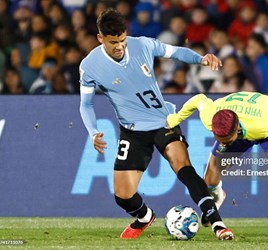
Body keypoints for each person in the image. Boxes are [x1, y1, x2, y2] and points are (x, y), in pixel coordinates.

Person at [79, 9, 233, 240]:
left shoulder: (142, 45)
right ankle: (144, 217)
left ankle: (217, 223)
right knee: (122, 195)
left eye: (122, 40)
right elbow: (86, 105)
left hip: (164, 121)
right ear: (100, 38)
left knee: (183, 167)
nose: (120, 46)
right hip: (132, 132)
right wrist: (92, 132)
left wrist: (201, 59)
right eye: (113, 42)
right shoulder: (90, 66)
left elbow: (175, 52)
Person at [166, 92, 268, 240]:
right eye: (217, 137)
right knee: (209, 181)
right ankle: (219, 197)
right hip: (240, 124)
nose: (222, 143)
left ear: (237, 130)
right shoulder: (210, 117)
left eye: (225, 140)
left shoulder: (266, 123)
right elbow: (199, 99)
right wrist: (176, 118)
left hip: (265, 128)